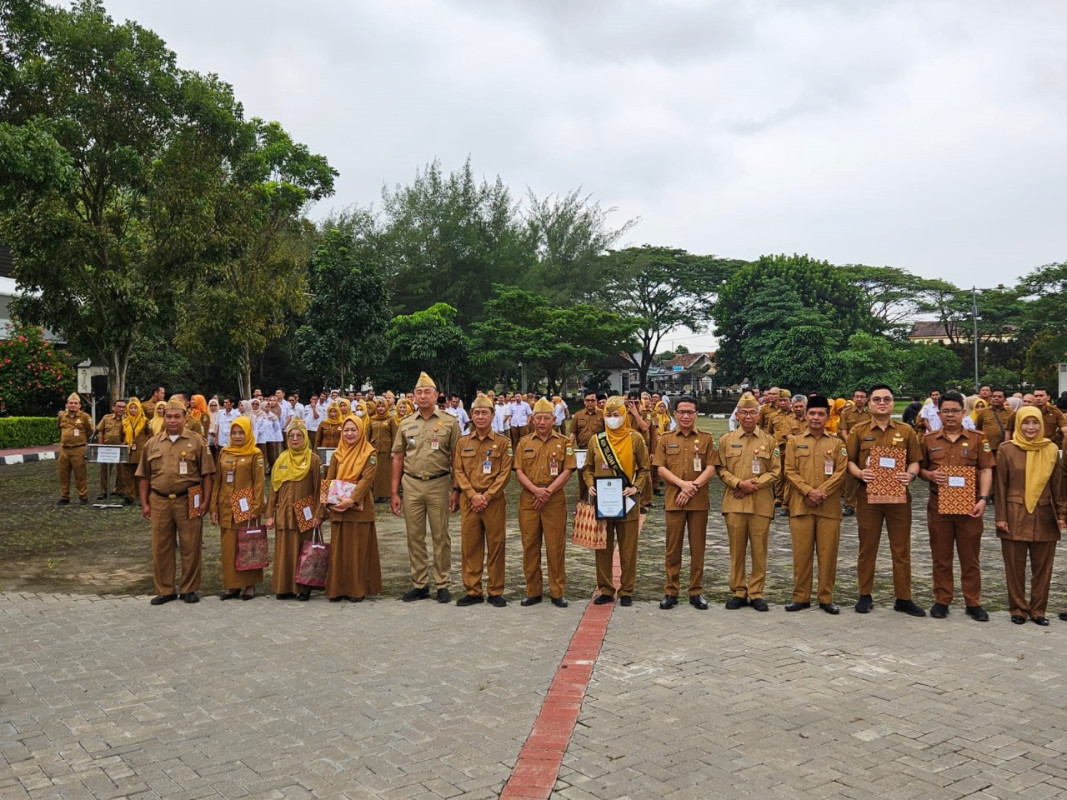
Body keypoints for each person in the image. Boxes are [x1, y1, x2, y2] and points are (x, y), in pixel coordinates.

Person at [846, 384, 925, 616]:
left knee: (901, 549)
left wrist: (909, 475)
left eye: (887, 399)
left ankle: (903, 597)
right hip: (868, 497)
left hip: (898, 498)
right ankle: (864, 594)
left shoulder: (906, 431)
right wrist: (860, 473)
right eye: (877, 399)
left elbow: (915, 461)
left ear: (892, 404)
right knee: (867, 547)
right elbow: (849, 461)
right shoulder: (858, 431)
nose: (882, 403)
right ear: (869, 403)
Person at [919, 391, 995, 621]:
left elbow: (986, 469)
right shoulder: (929, 440)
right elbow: (919, 469)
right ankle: (942, 600)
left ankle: (973, 602)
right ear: (938, 413)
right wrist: (930, 475)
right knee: (941, 557)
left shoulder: (977, 439)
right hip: (939, 507)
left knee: (970, 557)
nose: (950, 415)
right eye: (946, 411)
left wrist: (983, 498)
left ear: (963, 412)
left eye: (955, 411)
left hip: (969, 508)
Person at [137, 397, 215, 605]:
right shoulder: (152, 444)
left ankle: (189, 588)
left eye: (176, 417)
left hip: (188, 499)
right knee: (161, 547)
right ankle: (166, 589)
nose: (172, 421)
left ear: (185, 418)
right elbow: (144, 476)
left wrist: (206, 502)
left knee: (191, 545)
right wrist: (144, 503)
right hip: (159, 501)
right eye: (168, 416)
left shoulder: (197, 441)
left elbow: (207, 475)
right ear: (163, 417)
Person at [391, 372, 461, 603]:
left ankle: (442, 583)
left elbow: (456, 458)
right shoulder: (406, 423)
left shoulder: (450, 422)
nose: (422, 396)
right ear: (413, 396)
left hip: (439, 483)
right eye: (418, 392)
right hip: (410, 484)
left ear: (436, 395)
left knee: (441, 536)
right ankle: (420, 584)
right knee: (415, 536)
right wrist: (394, 492)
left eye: (427, 392)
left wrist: (456, 489)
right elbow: (398, 457)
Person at [994, 407, 1066, 625]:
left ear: (1042, 425)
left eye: (1035, 423)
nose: (1031, 427)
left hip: (1044, 514)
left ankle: (1038, 610)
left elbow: (1058, 485)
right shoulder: (1007, 449)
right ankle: (1017, 609)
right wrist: (1000, 516)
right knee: (1014, 567)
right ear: (1018, 424)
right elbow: (1000, 486)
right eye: (1026, 423)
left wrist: (1062, 513)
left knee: (1043, 568)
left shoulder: (1051, 449)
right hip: (1014, 513)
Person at [712, 392, 780, 611]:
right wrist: (739, 484)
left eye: (752, 412)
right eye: (744, 412)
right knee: (736, 549)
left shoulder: (770, 441)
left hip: (760, 502)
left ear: (758, 415)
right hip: (734, 501)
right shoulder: (726, 440)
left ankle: (757, 592)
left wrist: (754, 485)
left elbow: (777, 471)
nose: (748, 416)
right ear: (738, 415)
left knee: (760, 550)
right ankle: (739, 590)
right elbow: (720, 468)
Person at [783, 396, 848, 614]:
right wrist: (808, 491)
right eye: (812, 413)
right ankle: (800, 596)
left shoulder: (837, 443)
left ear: (828, 417)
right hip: (801, 505)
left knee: (828, 554)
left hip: (828, 507)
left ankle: (826, 597)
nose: (816, 418)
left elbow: (841, 471)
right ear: (806, 415)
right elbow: (789, 470)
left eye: (821, 414)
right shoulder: (794, 441)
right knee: (801, 554)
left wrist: (823, 492)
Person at [585, 396, 652, 607]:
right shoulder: (596, 441)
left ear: (624, 416)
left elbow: (644, 468)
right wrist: (589, 484)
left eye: (616, 415)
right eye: (608, 415)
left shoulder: (635, 439)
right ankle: (605, 589)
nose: (612, 419)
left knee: (628, 549)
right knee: (602, 548)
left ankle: (626, 590)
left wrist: (636, 487)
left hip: (628, 501)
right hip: (603, 502)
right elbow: (587, 468)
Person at [651, 395, 716, 610]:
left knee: (698, 548)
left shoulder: (706, 438)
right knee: (673, 548)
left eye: (690, 412)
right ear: (675, 414)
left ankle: (696, 591)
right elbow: (660, 468)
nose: (686, 416)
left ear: (696, 414)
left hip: (698, 501)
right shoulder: (666, 439)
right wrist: (682, 485)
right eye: (682, 412)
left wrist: (693, 487)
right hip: (674, 501)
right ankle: (671, 590)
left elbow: (711, 467)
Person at [514, 396, 576, 607]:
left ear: (553, 419)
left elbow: (567, 471)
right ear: (532, 419)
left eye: (546, 418)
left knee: (555, 546)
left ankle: (557, 592)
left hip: (554, 499)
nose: (542, 422)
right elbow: (519, 471)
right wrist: (535, 491)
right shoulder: (524, 443)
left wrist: (547, 491)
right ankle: (533, 591)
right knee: (530, 546)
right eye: (538, 418)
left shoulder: (564, 443)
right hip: (529, 500)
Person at [453, 395, 513, 607]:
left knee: (496, 545)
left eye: (484, 413)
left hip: (493, 501)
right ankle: (473, 590)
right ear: (471, 416)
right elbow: (458, 470)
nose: (480, 417)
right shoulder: (463, 442)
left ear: (492, 415)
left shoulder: (503, 443)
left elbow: (505, 474)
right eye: (476, 413)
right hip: (469, 501)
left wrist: (486, 496)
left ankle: (495, 590)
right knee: (470, 546)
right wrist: (471, 494)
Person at [325, 414, 381, 602]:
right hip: (338, 507)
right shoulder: (337, 453)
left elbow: (367, 480)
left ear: (361, 430)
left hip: (359, 508)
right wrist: (328, 501)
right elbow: (329, 478)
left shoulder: (369, 453)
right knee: (339, 550)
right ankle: (337, 588)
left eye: (353, 429)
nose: (349, 433)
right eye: (346, 430)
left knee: (358, 550)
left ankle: (357, 589)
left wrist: (352, 499)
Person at [265, 419, 324, 600]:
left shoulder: (313, 460)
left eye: (299, 435)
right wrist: (269, 514)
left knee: (303, 549)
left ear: (305, 437)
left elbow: (320, 489)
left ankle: (303, 588)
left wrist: (318, 514)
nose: (295, 439)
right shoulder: (282, 459)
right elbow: (274, 488)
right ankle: (284, 587)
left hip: (305, 514)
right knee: (284, 550)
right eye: (291, 436)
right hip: (284, 511)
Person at [210, 416, 266, 601]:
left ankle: (249, 585)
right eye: (234, 432)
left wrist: (256, 508)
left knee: (248, 546)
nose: (237, 436)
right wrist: (214, 507)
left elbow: (259, 483)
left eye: (241, 432)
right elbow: (217, 481)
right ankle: (232, 586)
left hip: (246, 507)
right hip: (226, 506)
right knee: (229, 547)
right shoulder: (225, 452)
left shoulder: (255, 454)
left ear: (248, 432)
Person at [837, 388, 871, 516]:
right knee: (850, 478)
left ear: (866, 399)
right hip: (851, 448)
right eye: (856, 396)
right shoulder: (846, 413)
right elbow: (843, 431)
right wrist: (852, 443)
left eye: (862, 397)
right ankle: (849, 505)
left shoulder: (870, 414)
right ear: (853, 398)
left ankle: (867, 505)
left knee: (867, 476)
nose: (859, 399)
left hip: (867, 449)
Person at [56, 392, 93, 505]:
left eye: (75, 403)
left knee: (80, 474)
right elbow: (59, 428)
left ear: (79, 405)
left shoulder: (85, 417)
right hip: (64, 449)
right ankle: (65, 496)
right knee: (63, 473)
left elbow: (90, 431)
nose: (73, 405)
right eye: (71, 403)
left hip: (78, 449)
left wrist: (81, 440)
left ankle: (83, 496)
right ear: (67, 404)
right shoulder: (62, 415)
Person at [570, 390, 605, 502]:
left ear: (596, 402)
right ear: (584, 402)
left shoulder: (603, 415)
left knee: (599, 475)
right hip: (582, 451)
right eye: (588, 400)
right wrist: (569, 449)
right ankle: (583, 502)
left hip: (599, 451)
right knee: (583, 477)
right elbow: (573, 433)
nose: (590, 402)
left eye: (592, 400)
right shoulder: (578, 415)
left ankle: (598, 501)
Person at [93, 398, 126, 499]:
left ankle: (119, 490)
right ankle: (103, 491)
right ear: (113, 408)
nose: (121, 409)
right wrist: (100, 445)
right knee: (105, 471)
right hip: (106, 448)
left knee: (122, 471)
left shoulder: (127, 420)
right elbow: (101, 431)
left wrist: (124, 444)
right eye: (119, 407)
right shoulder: (106, 418)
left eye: (123, 407)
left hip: (120, 448)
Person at [120, 397, 150, 505]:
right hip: (128, 451)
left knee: (140, 475)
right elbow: (121, 436)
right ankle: (129, 496)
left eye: (135, 408)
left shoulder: (145, 421)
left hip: (140, 451)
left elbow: (150, 435)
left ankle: (141, 496)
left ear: (139, 409)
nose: (133, 410)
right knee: (127, 475)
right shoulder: (124, 422)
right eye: (131, 408)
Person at [367, 400, 397, 501]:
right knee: (374, 472)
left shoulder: (390, 419)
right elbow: (368, 435)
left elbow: (395, 435)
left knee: (385, 473)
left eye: (382, 406)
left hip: (387, 450)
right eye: (378, 406)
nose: (380, 408)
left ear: (386, 407)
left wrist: (393, 450)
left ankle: (385, 494)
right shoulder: (372, 420)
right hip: (373, 450)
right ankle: (375, 494)